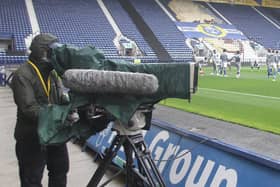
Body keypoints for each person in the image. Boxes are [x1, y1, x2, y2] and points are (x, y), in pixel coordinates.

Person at [10, 33, 76, 187]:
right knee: (31, 180)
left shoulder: (52, 73)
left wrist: (72, 105)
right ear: (44, 52)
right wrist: (61, 115)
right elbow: (29, 109)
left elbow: (61, 97)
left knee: (60, 171)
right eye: (54, 52)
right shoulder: (22, 74)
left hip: (54, 134)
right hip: (31, 137)